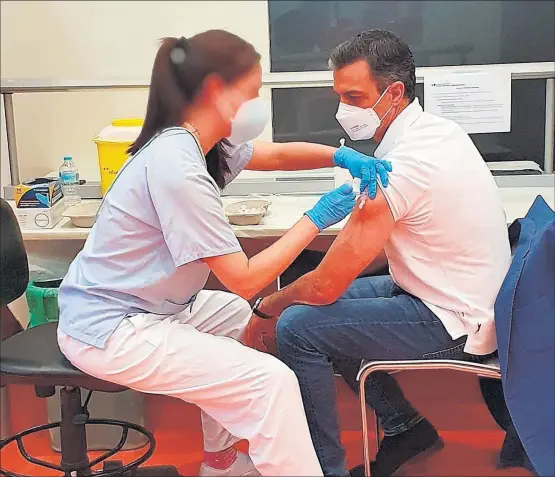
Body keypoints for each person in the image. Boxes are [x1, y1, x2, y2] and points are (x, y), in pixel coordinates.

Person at [56, 30, 391, 477]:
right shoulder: (178, 167)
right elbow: (247, 277)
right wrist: (316, 218)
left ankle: (221, 460)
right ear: (216, 89)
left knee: (244, 319)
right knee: (269, 382)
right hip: (110, 327)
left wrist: (341, 156)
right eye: (252, 93)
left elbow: (271, 156)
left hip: (152, 305)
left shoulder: (197, 143)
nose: (256, 105)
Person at [252, 30, 512, 477]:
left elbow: (324, 284)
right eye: (340, 96)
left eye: (354, 96)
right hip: (454, 291)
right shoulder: (439, 133)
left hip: (452, 316)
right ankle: (405, 426)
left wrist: (265, 309)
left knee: (297, 327)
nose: (344, 110)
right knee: (330, 309)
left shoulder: (403, 166)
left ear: (394, 92)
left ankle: (323, 470)